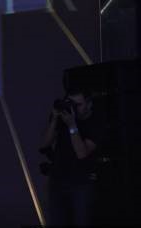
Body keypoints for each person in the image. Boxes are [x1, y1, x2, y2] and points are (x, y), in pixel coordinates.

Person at [41, 90, 101, 226]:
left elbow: (82, 153)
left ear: (89, 104)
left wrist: (72, 126)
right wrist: (54, 119)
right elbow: (44, 145)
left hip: (81, 182)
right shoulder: (64, 118)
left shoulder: (96, 122)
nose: (74, 109)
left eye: (78, 105)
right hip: (57, 181)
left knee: (81, 222)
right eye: (71, 104)